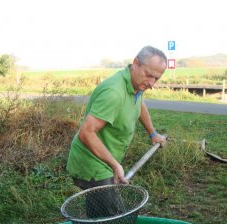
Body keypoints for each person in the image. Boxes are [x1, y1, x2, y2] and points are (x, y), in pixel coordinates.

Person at [66, 46, 167, 191]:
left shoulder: (136, 85)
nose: (151, 83)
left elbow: (138, 103)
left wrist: (152, 133)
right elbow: (86, 132)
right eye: (149, 75)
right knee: (113, 212)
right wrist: (115, 165)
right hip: (93, 165)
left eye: (156, 78)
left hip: (106, 161)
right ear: (136, 63)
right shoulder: (114, 93)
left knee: (100, 212)